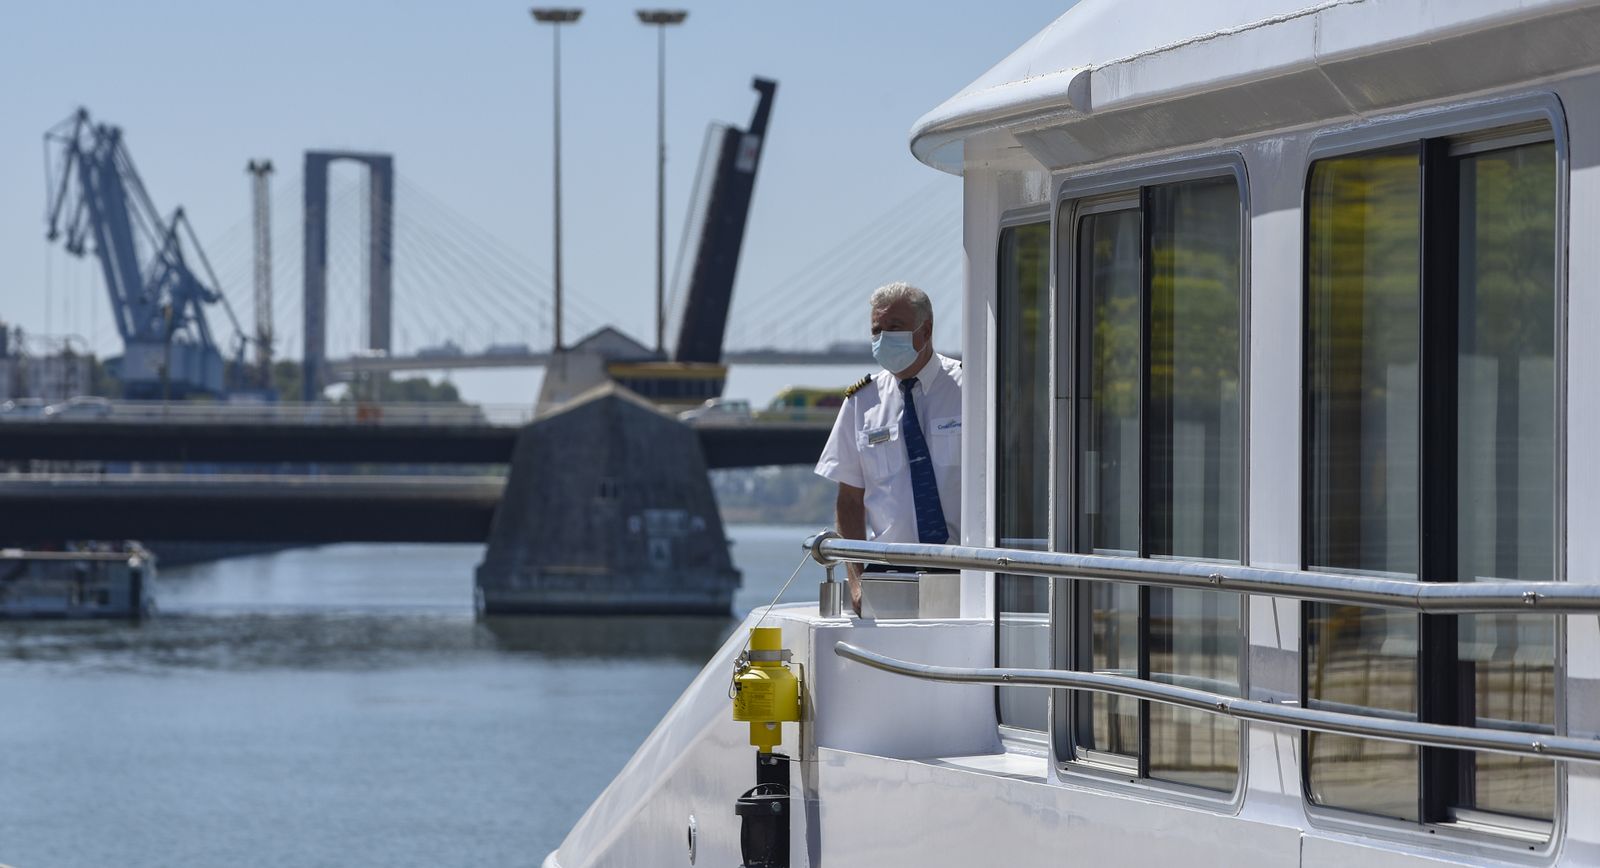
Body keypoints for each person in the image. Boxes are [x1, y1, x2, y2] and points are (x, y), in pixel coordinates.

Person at [814, 282, 961, 615]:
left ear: (926, 330)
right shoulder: (862, 401)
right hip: (888, 573)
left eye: (894, 328)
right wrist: (856, 581)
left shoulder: (971, 388)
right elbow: (849, 501)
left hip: (967, 567)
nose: (882, 338)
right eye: (876, 330)